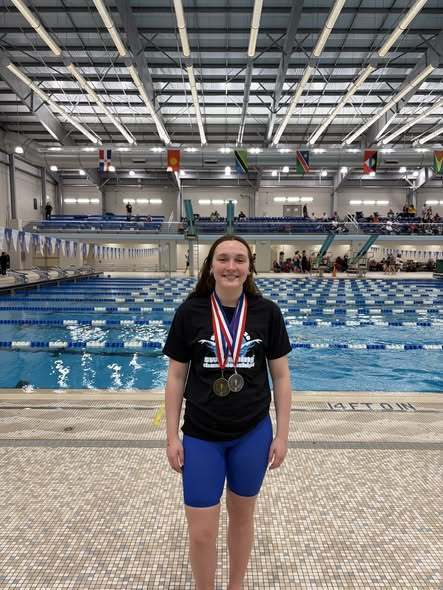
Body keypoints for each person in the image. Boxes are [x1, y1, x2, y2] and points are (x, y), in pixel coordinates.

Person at [163, 234, 292, 590]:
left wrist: (281, 434)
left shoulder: (267, 312)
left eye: (239, 259)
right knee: (202, 532)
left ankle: (235, 586)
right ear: (211, 266)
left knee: (241, 518)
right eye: (223, 259)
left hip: (252, 434)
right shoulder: (191, 312)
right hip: (202, 436)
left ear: (249, 267)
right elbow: (176, 376)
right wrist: (172, 435)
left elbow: (280, 376)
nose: (231, 266)